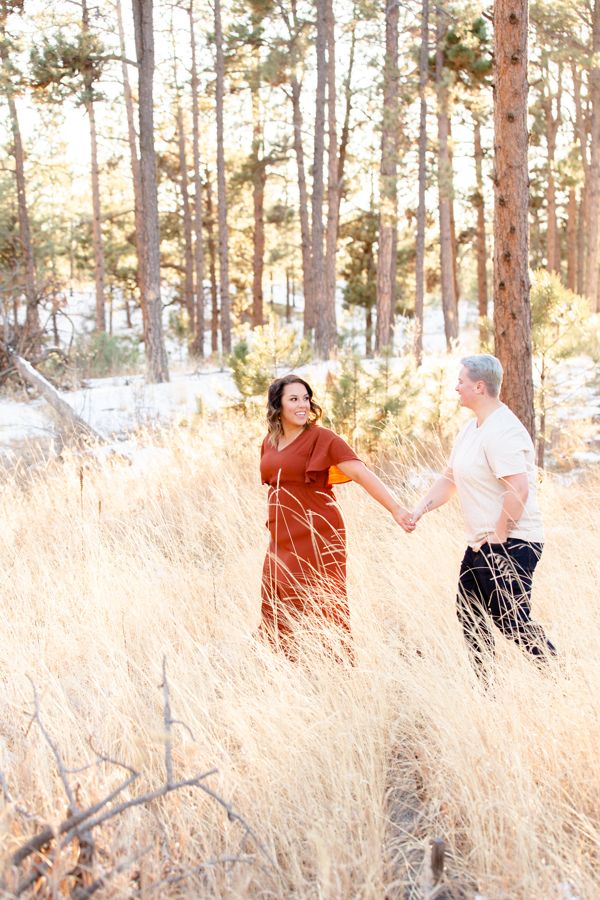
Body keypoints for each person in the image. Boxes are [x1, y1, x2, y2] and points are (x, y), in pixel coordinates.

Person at [410, 354, 556, 683]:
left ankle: (556, 673)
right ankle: (487, 692)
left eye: (461, 381)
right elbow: (450, 479)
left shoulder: (503, 430)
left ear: (479, 386)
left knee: (510, 620)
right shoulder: (470, 429)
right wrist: (419, 510)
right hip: (481, 544)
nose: (455, 387)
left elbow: (518, 488)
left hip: (514, 542)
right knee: (470, 614)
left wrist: (499, 535)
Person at [259, 373, 414, 659]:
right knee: (276, 600)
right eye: (293, 399)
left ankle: (337, 670)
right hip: (281, 537)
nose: (302, 405)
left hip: (318, 533)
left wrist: (396, 508)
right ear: (277, 405)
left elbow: (360, 473)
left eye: (305, 398)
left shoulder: (322, 438)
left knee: (325, 604)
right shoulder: (270, 441)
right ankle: (285, 670)